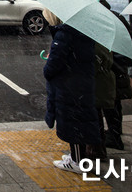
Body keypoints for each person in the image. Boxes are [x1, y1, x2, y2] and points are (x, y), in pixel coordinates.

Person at [42, 9, 100, 174]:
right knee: (79, 121)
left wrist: (49, 63)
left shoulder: (65, 34)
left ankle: (78, 162)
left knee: (73, 124)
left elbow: (53, 65)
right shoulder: (81, 31)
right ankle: (77, 157)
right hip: (80, 83)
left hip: (70, 86)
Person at [83, 0, 132, 151]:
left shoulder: (101, 20)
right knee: (113, 103)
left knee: (105, 105)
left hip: (110, 69)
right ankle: (114, 133)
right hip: (116, 68)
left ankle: (112, 138)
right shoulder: (115, 17)